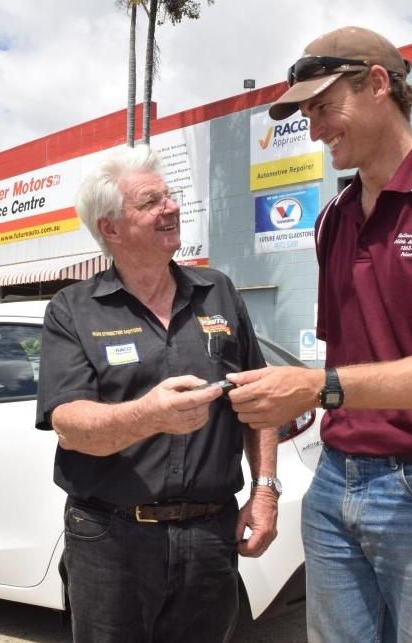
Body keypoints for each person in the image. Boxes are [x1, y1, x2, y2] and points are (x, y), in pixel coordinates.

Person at [227, 26, 412, 643]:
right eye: (305, 114)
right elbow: (352, 353)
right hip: (337, 480)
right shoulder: (334, 218)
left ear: (377, 84)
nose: (313, 130)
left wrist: (317, 388)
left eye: (322, 107)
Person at [35, 144, 279, 643]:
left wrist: (265, 490)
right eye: (150, 202)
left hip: (210, 535)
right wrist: (147, 415)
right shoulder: (73, 309)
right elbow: (69, 425)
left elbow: (260, 399)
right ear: (110, 228)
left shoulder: (220, 292)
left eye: (169, 196)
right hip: (109, 538)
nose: (170, 207)